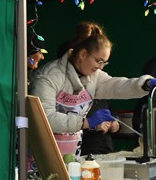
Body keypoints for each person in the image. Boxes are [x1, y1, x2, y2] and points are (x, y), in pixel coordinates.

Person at [29, 21, 155, 157]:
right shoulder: (48, 76)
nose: (100, 67)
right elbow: (44, 118)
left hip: (70, 155)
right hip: (40, 156)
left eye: (104, 63)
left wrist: (145, 83)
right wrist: (86, 122)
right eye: (99, 61)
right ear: (83, 54)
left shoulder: (94, 77)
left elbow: (116, 86)